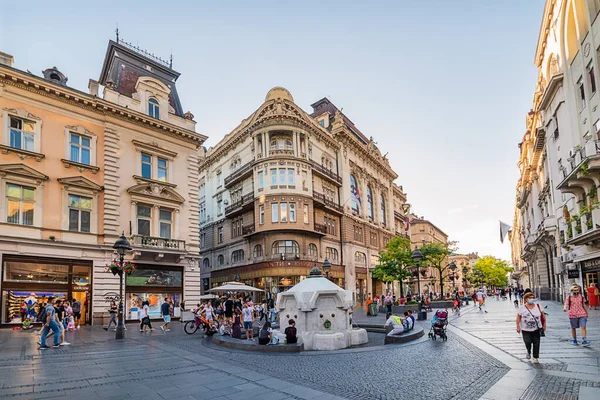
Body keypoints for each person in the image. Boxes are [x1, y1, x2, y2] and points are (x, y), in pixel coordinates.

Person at [516, 292, 545, 364]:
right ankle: (528, 351)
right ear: (526, 299)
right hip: (525, 329)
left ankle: (535, 357)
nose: (532, 299)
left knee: (536, 343)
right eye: (530, 298)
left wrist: (544, 325)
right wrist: (518, 326)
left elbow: (543, 316)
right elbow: (518, 318)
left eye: (533, 298)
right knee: (527, 342)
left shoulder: (538, 306)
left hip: (537, 328)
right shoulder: (521, 308)